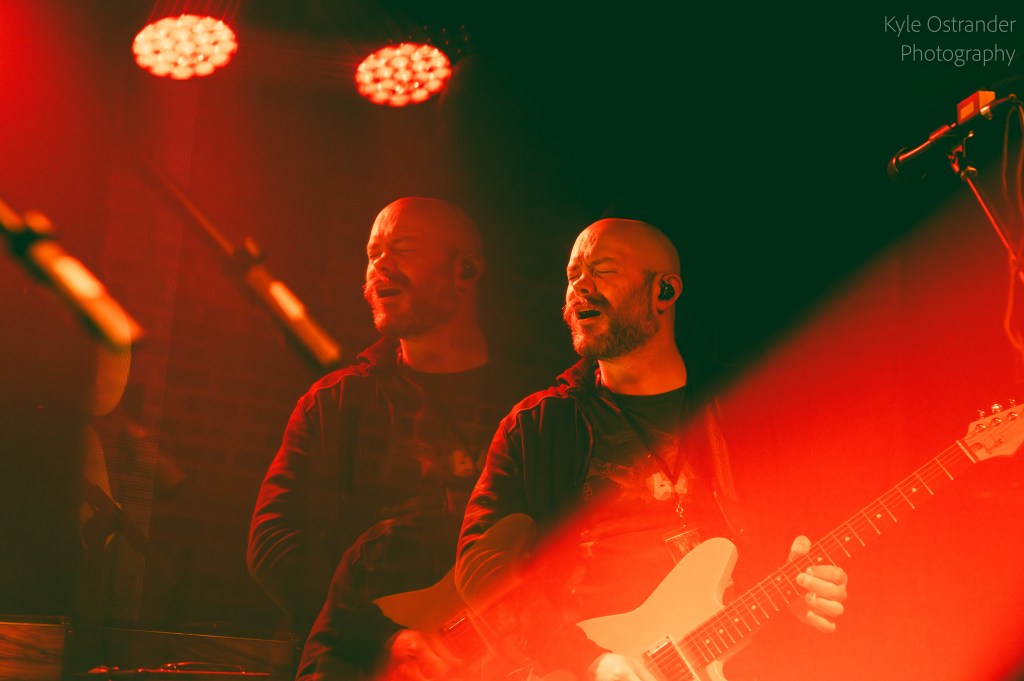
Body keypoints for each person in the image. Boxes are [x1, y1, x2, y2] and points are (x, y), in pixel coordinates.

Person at [455, 218, 849, 681]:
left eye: (603, 270)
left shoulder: (745, 409)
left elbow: (789, 547)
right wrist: (588, 660)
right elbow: (482, 568)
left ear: (664, 291)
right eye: (573, 274)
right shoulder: (538, 427)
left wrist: (801, 592)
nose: (580, 286)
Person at [247, 197, 533, 680]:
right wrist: (378, 636)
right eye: (373, 252)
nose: (380, 264)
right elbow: (274, 546)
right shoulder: (337, 402)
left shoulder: (530, 407)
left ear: (466, 270)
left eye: (403, 247)